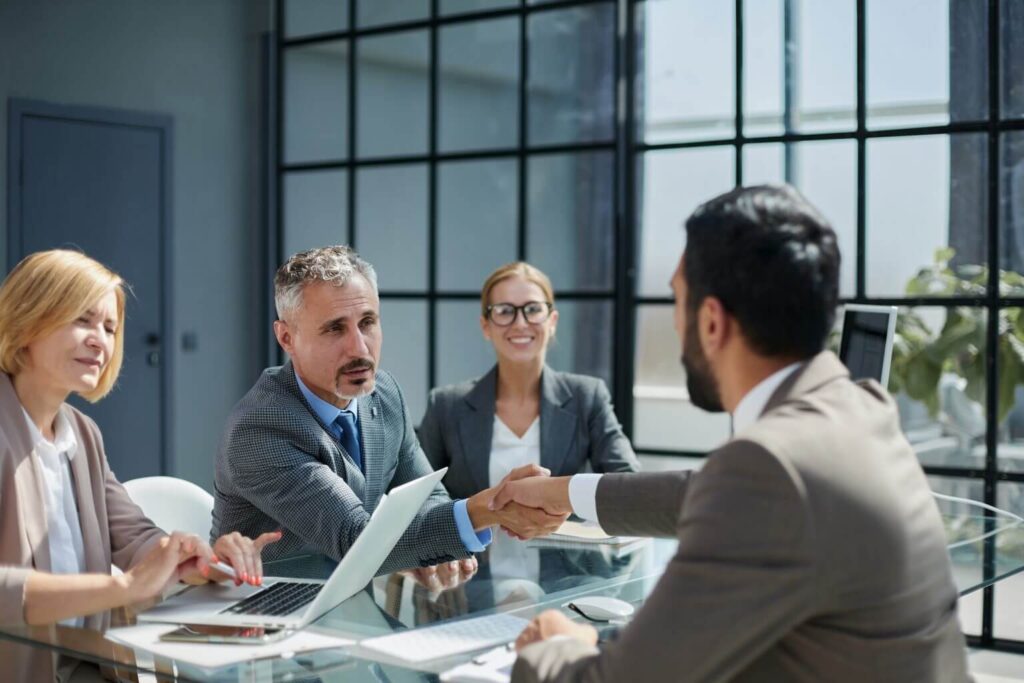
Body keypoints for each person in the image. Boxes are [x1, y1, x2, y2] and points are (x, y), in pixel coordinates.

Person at [490, 185, 970, 682]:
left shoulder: (770, 467)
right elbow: (705, 496)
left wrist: (553, 644)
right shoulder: (861, 407)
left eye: (677, 301)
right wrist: (565, 492)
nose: (675, 327)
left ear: (712, 322)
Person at [0, 250, 279, 683]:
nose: (100, 340)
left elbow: (136, 537)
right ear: (26, 321)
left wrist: (196, 562)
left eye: (109, 327)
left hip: (87, 665)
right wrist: (123, 589)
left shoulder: (82, 434)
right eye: (82, 320)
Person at [211, 246, 566, 578]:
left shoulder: (383, 394)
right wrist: (488, 507)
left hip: (350, 611)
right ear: (286, 338)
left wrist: (432, 553)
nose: (359, 348)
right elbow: (357, 542)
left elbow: (428, 496)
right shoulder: (261, 429)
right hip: (264, 620)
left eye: (367, 322)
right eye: (335, 329)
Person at [418, 262, 639, 500]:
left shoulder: (587, 397)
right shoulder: (446, 406)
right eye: (504, 311)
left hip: (562, 537)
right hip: (474, 539)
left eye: (533, 309)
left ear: (552, 321)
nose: (521, 323)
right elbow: (417, 499)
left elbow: (628, 485)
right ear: (486, 326)